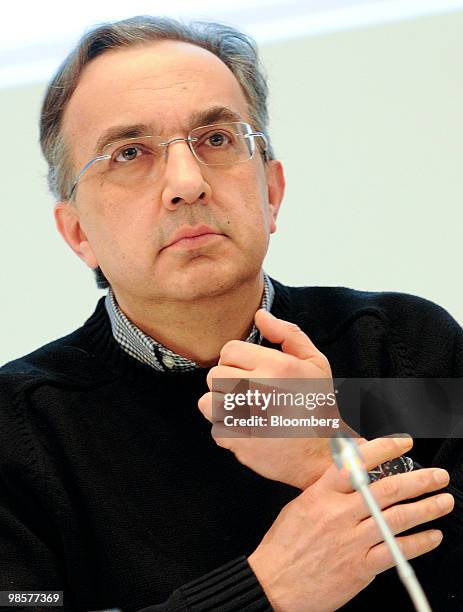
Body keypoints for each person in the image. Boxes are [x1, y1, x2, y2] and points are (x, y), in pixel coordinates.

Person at [1, 15, 462, 612]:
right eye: (130, 152)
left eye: (216, 140)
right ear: (77, 232)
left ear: (271, 192)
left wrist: (330, 451)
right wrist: (268, 589)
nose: (187, 182)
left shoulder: (402, 350)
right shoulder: (19, 428)